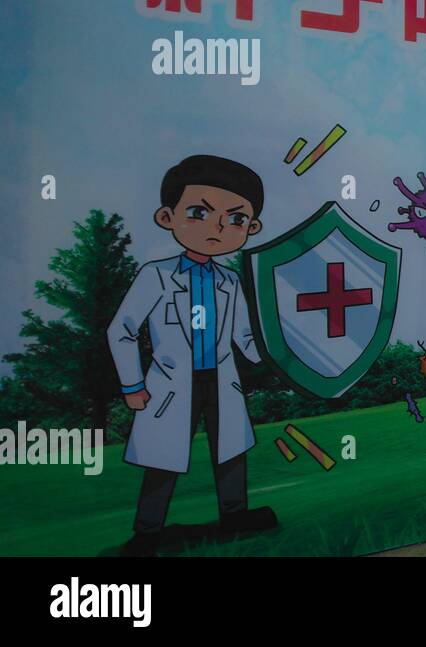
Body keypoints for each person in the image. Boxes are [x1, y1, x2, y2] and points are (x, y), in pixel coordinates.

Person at [107, 155, 278, 556]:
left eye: (235, 220)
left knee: (231, 450)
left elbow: (243, 335)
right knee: (163, 458)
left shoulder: (229, 281)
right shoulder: (156, 276)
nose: (217, 228)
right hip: (170, 383)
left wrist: (277, 362)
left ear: (251, 228)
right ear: (168, 217)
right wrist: (132, 385)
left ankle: (234, 515)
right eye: (200, 212)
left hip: (220, 378)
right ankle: (147, 532)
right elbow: (122, 329)